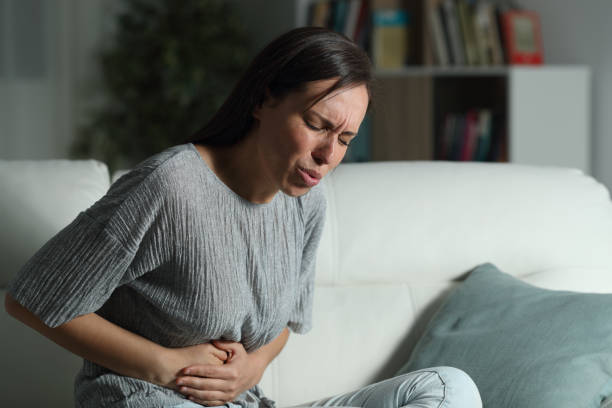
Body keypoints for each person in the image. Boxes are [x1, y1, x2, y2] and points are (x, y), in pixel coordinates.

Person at [4, 26, 482, 408]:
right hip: (145, 398)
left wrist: (252, 368)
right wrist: (163, 364)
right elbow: (31, 300)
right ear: (262, 100)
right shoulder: (170, 186)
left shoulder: (306, 201)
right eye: (317, 124)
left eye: (345, 139)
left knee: (447, 389)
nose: (326, 154)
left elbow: (282, 325)